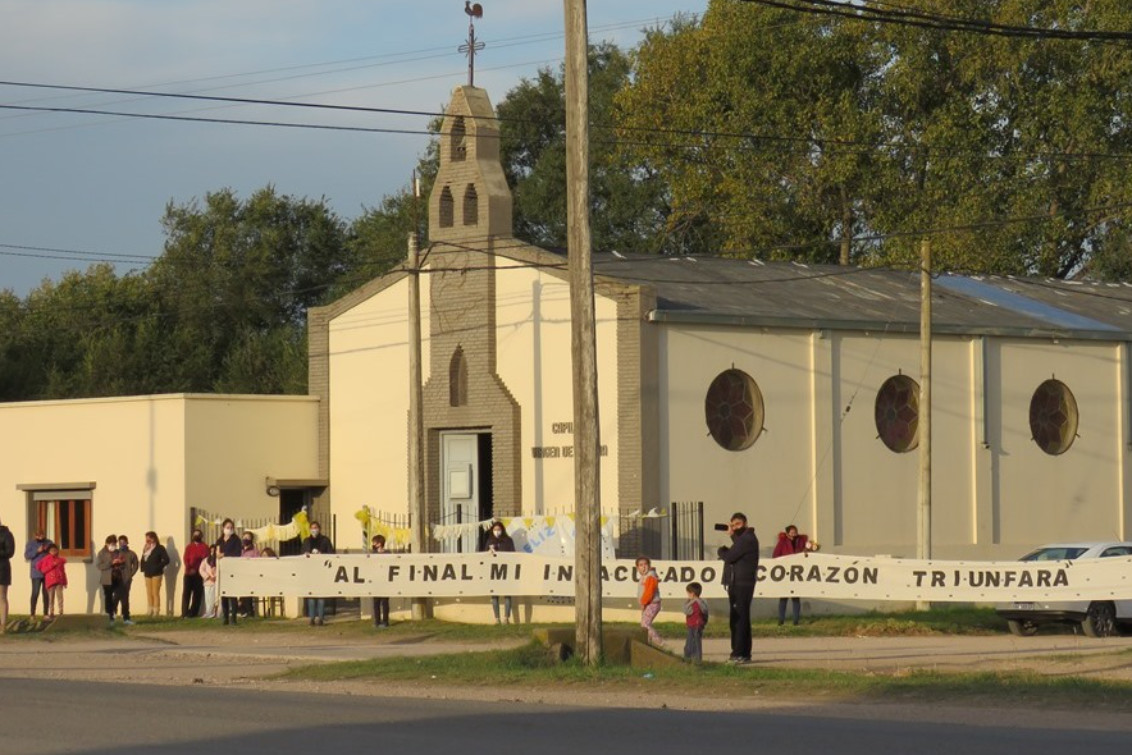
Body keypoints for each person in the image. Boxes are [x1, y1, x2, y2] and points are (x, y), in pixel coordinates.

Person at [717, 512, 760, 664]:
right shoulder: (744, 539)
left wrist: (721, 551)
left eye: (738, 525)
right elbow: (738, 550)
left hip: (741, 584)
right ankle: (744, 653)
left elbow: (730, 556)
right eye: (733, 525)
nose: (735, 528)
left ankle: (738, 653)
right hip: (740, 583)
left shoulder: (748, 538)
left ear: (745, 524)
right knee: (742, 619)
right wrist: (732, 536)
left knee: (738, 620)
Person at [773, 524, 811, 627]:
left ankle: (796, 621)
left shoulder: (801, 541)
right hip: (785, 573)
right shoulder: (782, 542)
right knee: (783, 598)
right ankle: (781, 621)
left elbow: (806, 553)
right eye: (792, 532)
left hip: (797, 573)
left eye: (795, 531)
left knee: (795, 598)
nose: (794, 534)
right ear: (787, 533)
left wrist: (808, 549)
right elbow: (775, 555)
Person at [301, 522, 335, 626]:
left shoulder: (325, 540)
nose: (313, 530)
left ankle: (320, 618)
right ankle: (312, 618)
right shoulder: (306, 541)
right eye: (312, 528)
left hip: (322, 571)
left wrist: (322, 554)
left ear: (319, 529)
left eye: (315, 528)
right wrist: (306, 554)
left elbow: (331, 554)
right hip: (310, 572)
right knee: (311, 596)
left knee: (321, 596)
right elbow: (302, 553)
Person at [484, 521, 515, 625]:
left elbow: (513, 554)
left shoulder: (508, 540)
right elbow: (484, 555)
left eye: (499, 529)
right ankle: (497, 618)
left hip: (506, 571)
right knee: (494, 595)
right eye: (495, 529)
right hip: (493, 572)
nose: (497, 531)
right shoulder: (489, 541)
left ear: (502, 530)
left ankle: (506, 618)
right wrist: (490, 552)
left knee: (507, 595)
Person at [216, 519, 242, 625]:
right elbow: (216, 553)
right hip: (222, 570)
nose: (229, 529)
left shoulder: (236, 540)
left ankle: (233, 617)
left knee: (232, 595)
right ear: (223, 528)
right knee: (224, 595)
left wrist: (224, 554)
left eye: (231, 527)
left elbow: (237, 553)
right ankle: (225, 617)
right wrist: (218, 555)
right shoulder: (220, 540)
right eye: (227, 527)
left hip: (232, 569)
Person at [140, 531, 171, 618]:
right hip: (148, 573)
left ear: (154, 538)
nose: (147, 540)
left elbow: (166, 560)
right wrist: (144, 552)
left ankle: (156, 611)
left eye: (149, 538)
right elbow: (143, 560)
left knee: (155, 592)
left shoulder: (160, 548)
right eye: (146, 538)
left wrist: (158, 567)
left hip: (156, 573)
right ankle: (150, 610)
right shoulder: (146, 548)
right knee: (149, 592)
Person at [24, 530, 53, 618]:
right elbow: (27, 556)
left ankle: (45, 613)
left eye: (42, 535)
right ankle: (32, 613)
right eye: (38, 535)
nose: (40, 537)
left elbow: (54, 552)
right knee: (35, 592)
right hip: (36, 572)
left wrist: (48, 550)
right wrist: (37, 551)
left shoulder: (49, 542)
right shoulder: (31, 543)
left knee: (46, 593)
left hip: (47, 571)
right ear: (35, 535)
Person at [182, 528, 209, 618]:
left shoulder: (205, 547)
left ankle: (193, 612)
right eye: (195, 534)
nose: (196, 536)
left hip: (199, 573)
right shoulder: (189, 547)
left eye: (198, 534)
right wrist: (189, 568)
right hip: (189, 573)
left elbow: (205, 559)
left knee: (197, 594)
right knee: (186, 593)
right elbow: (186, 559)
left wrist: (197, 569)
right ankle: (184, 612)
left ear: (201, 536)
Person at [36, 543, 68, 619]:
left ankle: (61, 611)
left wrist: (65, 582)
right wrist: (52, 565)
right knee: (51, 597)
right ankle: (51, 612)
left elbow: (63, 571)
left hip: (59, 581)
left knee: (60, 597)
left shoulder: (60, 560)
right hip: (50, 581)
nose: (53, 551)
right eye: (52, 550)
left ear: (57, 551)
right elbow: (43, 570)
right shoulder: (46, 559)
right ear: (49, 551)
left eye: (55, 550)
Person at [636, 556, 663, 646]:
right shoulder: (644, 577)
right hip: (647, 603)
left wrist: (643, 602)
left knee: (645, 624)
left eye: (645, 564)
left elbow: (649, 592)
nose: (643, 567)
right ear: (637, 568)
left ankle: (659, 642)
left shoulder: (650, 576)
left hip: (652, 603)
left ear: (649, 566)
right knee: (644, 625)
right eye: (641, 565)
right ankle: (649, 644)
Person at [95, 535, 121, 623]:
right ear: (107, 544)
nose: (113, 546)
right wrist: (111, 563)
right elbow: (99, 566)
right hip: (106, 579)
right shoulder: (101, 553)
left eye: (115, 544)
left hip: (117, 577)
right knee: (108, 597)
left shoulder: (117, 552)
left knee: (117, 595)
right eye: (112, 544)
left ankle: (114, 610)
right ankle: (109, 615)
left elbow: (122, 561)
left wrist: (120, 562)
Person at [115, 535, 140, 625]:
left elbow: (136, 565)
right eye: (120, 542)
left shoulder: (131, 554)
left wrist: (130, 575)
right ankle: (112, 616)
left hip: (126, 580)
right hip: (117, 579)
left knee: (125, 598)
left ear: (127, 542)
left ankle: (126, 617)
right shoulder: (116, 553)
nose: (121, 544)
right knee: (116, 597)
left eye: (123, 542)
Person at [683, 582, 709, 663]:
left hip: (696, 625)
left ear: (692, 594)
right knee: (691, 642)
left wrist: (688, 603)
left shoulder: (695, 603)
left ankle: (695, 659)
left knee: (694, 643)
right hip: (693, 625)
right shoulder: (702, 602)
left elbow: (688, 611)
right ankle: (690, 658)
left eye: (688, 593)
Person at [371, 534, 390, 628]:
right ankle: (377, 621)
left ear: (379, 543)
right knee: (376, 602)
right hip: (376, 581)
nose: (373, 544)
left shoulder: (387, 553)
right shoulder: (373, 554)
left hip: (385, 581)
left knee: (385, 602)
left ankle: (385, 621)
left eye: (374, 542)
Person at [239, 532, 259, 618]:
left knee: (247, 593)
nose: (246, 539)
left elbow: (257, 561)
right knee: (241, 593)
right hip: (240, 574)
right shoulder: (239, 550)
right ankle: (243, 611)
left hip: (250, 575)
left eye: (248, 537)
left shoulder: (255, 551)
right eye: (244, 537)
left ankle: (249, 611)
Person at [0, 517, 14, 633]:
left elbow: (10, 552)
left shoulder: (6, 534)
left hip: (2, 568)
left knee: (2, 597)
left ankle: (3, 625)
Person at [199, 545, 219, 619]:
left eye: (214, 550)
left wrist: (215, 577)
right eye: (212, 550)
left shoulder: (219, 560)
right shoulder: (205, 560)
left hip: (216, 582)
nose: (213, 552)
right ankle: (208, 612)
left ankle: (215, 613)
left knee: (215, 598)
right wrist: (208, 577)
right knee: (208, 598)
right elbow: (201, 569)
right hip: (208, 582)